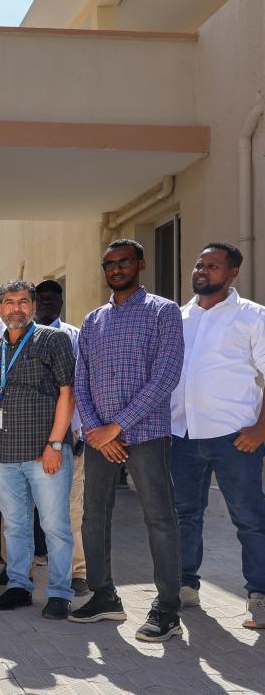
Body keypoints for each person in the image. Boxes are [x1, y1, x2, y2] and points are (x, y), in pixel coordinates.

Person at [70, 239, 185, 641]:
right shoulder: (93, 320)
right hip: (100, 439)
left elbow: (166, 376)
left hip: (147, 435)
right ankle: (104, 596)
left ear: (141, 264)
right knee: (94, 516)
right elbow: (80, 379)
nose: (116, 269)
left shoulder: (163, 311)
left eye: (124, 262)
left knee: (159, 518)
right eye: (109, 264)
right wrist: (96, 430)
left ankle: (168, 609)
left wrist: (115, 427)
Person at [170, 242, 265, 631]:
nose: (202, 270)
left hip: (235, 439)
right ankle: (185, 585)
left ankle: (259, 594)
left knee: (249, 518)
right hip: (182, 435)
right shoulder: (178, 317)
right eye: (199, 264)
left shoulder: (252, 316)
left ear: (233, 272)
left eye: (212, 265)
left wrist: (260, 429)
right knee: (184, 515)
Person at [0, 280, 76, 619]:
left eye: (22, 302)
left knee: (55, 526)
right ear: (0, 308)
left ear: (32, 306)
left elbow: (68, 392)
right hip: (5, 456)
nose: (16, 308)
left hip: (45, 454)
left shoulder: (53, 340)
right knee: (15, 526)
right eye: (9, 302)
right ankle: (19, 585)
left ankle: (59, 592)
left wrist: (55, 444)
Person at [35, 279, 89, 597]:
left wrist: (79, 430)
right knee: (21, 510)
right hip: (27, 437)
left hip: (68, 437)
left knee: (71, 509)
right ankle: (19, 571)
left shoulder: (74, 336)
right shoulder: (20, 337)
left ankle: (77, 572)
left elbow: (81, 386)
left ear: (61, 302)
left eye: (53, 298)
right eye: (41, 298)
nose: (46, 303)